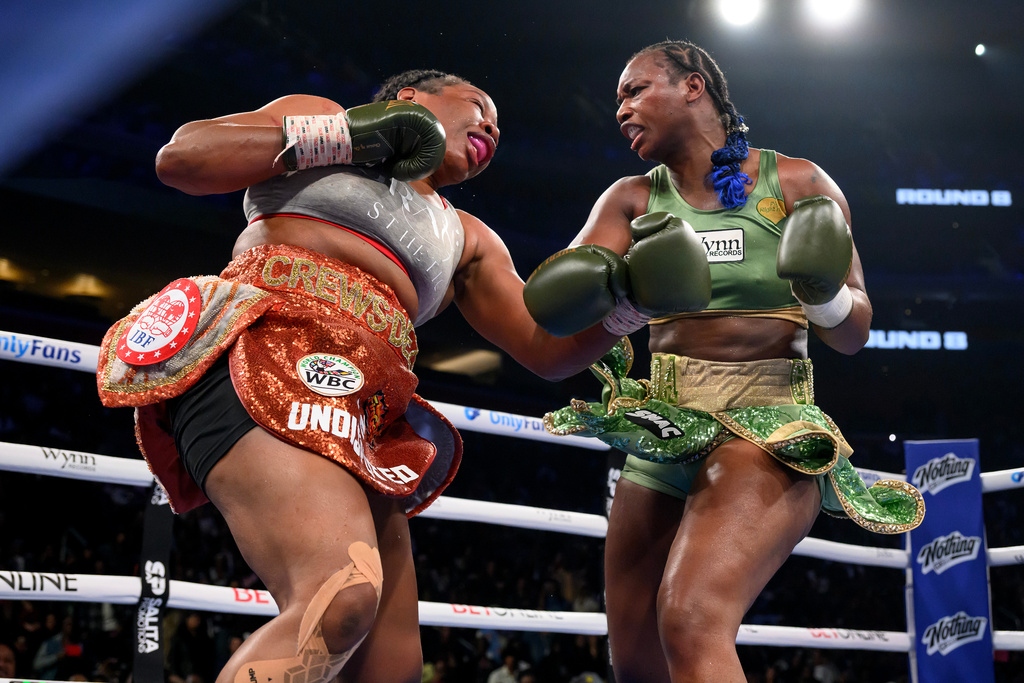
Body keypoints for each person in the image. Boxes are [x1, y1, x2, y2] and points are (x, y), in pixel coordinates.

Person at [95, 70, 705, 683]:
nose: (492, 127)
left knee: (388, 666)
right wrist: (352, 134)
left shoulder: (467, 237)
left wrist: (632, 307)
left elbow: (547, 350)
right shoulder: (322, 116)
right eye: (477, 107)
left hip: (361, 407)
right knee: (339, 597)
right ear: (410, 100)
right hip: (265, 350)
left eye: (499, 125)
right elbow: (183, 159)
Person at [529, 41, 926, 681]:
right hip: (663, 430)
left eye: (635, 90)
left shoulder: (796, 182)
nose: (622, 110)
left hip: (770, 425)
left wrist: (822, 297)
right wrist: (627, 301)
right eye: (618, 100)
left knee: (690, 620)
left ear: (693, 87)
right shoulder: (629, 202)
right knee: (638, 662)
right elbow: (551, 336)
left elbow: (855, 335)